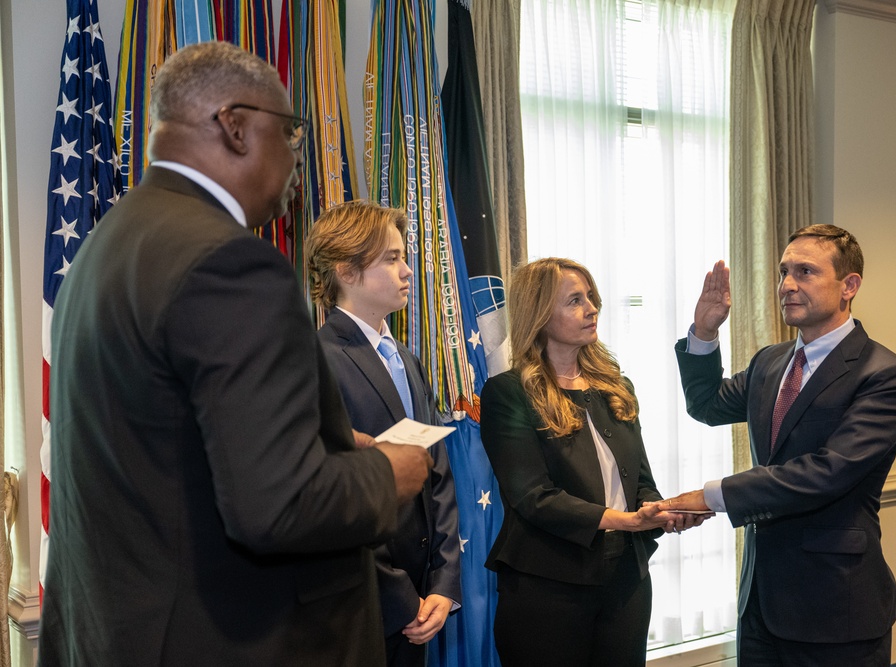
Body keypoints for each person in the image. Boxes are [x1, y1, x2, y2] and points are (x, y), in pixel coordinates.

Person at [39, 41, 433, 667]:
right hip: (222, 638)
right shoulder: (229, 262)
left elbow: (170, 447)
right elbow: (278, 507)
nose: (297, 157)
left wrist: (324, 444)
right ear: (236, 126)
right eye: (291, 132)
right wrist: (391, 473)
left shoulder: (107, 245)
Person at [667, 224, 896, 666]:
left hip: (835, 606)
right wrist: (704, 333)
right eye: (784, 272)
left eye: (804, 272)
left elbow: (828, 472)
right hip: (760, 602)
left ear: (849, 286)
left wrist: (712, 497)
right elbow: (706, 405)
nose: (787, 285)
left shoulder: (886, 375)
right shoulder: (770, 361)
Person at [479, 257, 706, 667]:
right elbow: (532, 497)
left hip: (626, 581)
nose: (591, 308)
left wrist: (662, 511)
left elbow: (638, 481)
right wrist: (627, 520)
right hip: (548, 585)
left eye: (591, 298)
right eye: (575, 301)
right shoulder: (508, 393)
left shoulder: (615, 387)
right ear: (540, 313)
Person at [305, 200, 462, 666]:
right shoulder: (317, 361)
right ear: (347, 271)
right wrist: (400, 598)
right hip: (360, 606)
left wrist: (443, 585)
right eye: (391, 259)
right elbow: (334, 500)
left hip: (423, 603)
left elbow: (437, 475)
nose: (407, 270)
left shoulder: (407, 360)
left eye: (403, 257)